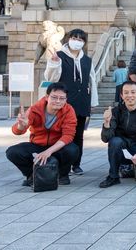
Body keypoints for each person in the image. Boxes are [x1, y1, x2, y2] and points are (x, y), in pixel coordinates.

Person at [6, 83, 79, 186]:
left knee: (72, 150)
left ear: (66, 100)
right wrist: (21, 125)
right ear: (47, 97)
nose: (58, 101)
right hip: (37, 145)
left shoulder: (69, 110)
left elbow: (68, 135)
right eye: (54, 97)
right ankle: (32, 175)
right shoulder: (35, 109)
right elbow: (17, 131)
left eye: (62, 98)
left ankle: (62, 175)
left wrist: (48, 151)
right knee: (12, 152)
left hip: (57, 146)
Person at [44, 28, 96, 175]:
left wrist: (92, 102)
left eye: (80, 39)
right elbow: (51, 79)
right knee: (60, 133)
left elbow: (92, 81)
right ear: (68, 39)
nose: (77, 41)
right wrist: (54, 64)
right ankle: (59, 162)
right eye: (74, 38)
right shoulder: (59, 56)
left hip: (81, 102)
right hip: (63, 103)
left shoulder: (87, 60)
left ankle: (76, 164)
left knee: (79, 135)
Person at [99, 81, 136, 188]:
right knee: (115, 141)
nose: (129, 95)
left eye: (133, 92)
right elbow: (106, 139)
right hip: (123, 147)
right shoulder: (116, 112)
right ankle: (113, 176)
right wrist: (106, 122)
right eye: (126, 93)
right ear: (121, 95)